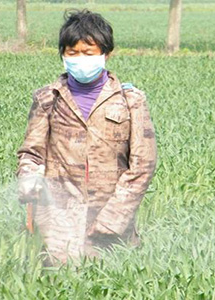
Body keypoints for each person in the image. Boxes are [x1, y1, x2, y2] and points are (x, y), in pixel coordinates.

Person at [15, 9, 157, 267]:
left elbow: (142, 165)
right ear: (62, 54)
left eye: (88, 53)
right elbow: (31, 152)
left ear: (106, 54)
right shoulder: (47, 99)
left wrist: (114, 218)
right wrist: (29, 177)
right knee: (57, 282)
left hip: (112, 219)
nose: (80, 59)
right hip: (57, 219)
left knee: (113, 283)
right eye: (73, 53)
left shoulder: (131, 101)